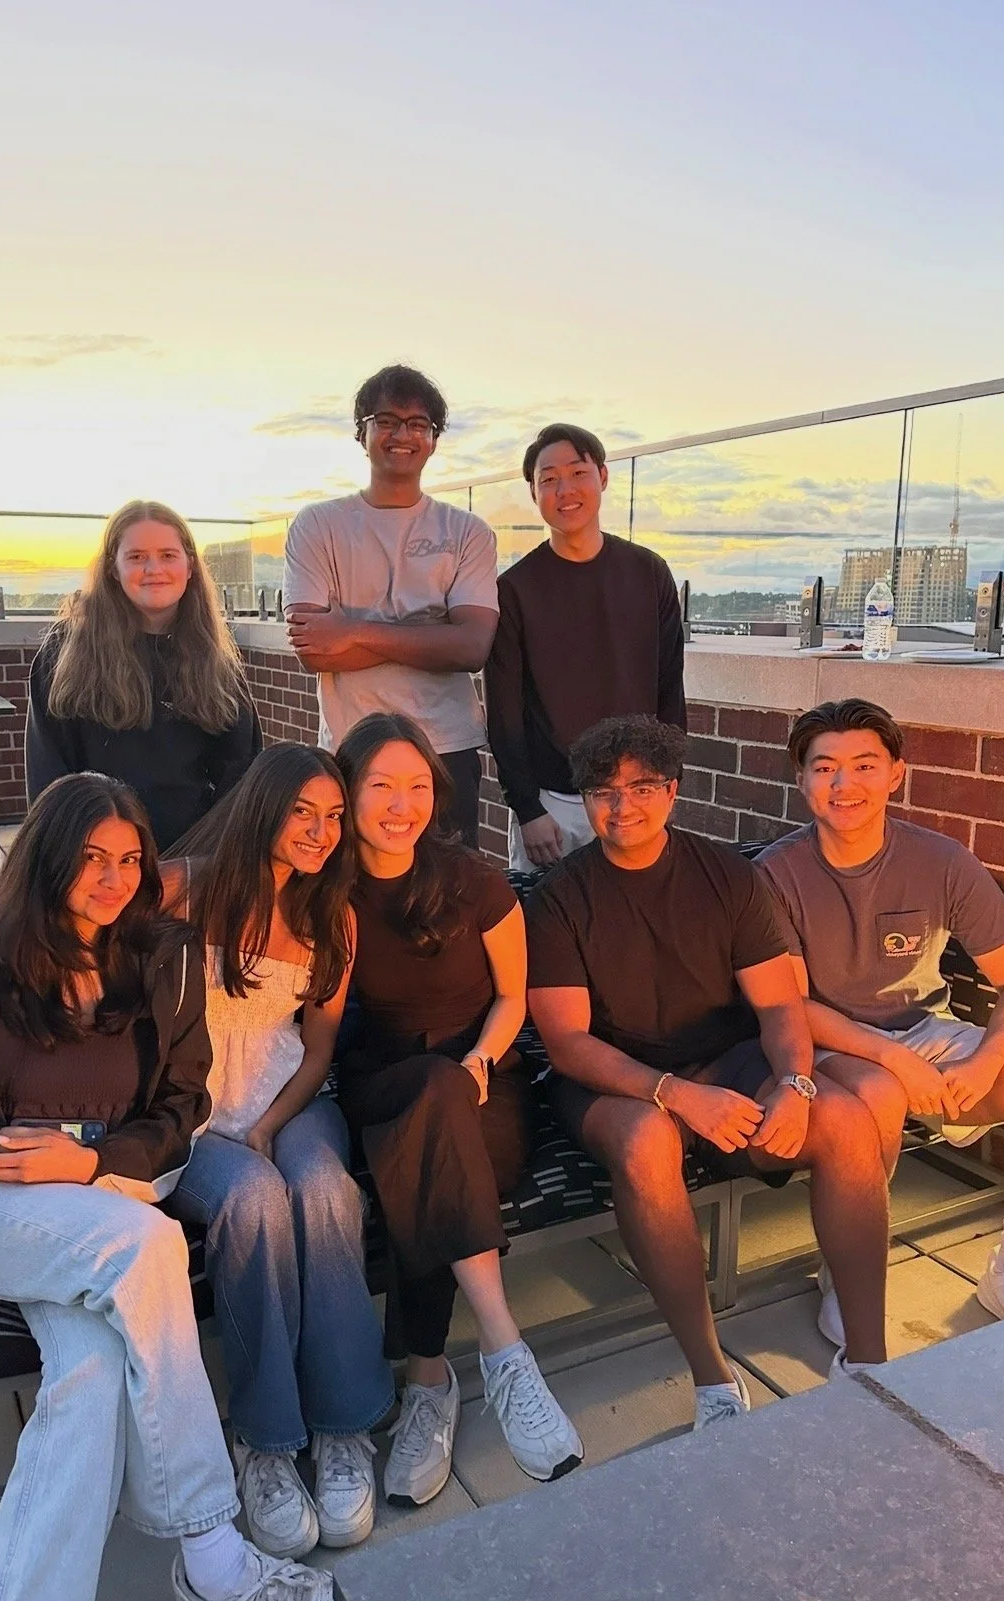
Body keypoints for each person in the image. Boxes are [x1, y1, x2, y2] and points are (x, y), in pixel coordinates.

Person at [0, 773, 349, 1601]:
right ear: (46, 859)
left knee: (86, 1380)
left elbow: (183, 1108)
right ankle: (213, 1554)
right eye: (91, 858)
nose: (114, 879)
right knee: (150, 1244)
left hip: (98, 1203)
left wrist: (84, 1160)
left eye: (129, 860)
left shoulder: (163, 961)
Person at [525, 715, 891, 1426]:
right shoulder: (560, 897)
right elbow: (567, 1043)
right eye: (603, 791)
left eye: (641, 788)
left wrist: (795, 1084)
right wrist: (675, 1095)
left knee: (846, 1120)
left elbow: (779, 1006)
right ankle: (713, 1379)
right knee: (646, 1143)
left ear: (672, 791)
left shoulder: (726, 876)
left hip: (725, 1059)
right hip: (616, 1077)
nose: (622, 806)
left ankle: (872, 1364)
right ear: (585, 800)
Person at [333, 712, 583, 1505]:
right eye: (381, 785)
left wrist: (479, 1058)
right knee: (428, 1105)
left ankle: (429, 1381)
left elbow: (513, 997)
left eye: (416, 786)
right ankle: (506, 1353)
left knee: (432, 1141)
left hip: (484, 1081)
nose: (400, 804)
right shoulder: (328, 890)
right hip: (383, 1082)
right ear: (348, 792)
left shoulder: (471, 879)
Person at [757, 697, 1004, 1330]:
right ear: (802, 779)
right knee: (879, 1093)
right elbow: (790, 1007)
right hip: (831, 1042)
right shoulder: (774, 874)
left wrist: (985, 1063)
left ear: (897, 773)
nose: (844, 784)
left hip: (926, 1031)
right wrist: (896, 1062)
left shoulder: (941, 860)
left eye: (864, 765)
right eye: (825, 768)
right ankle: (849, 1272)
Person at [166, 745, 396, 1560]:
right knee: (254, 1201)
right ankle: (264, 1441)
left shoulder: (333, 917)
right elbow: (64, 917)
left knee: (325, 1191)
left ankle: (342, 1424)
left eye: (334, 816)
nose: (321, 831)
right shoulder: (182, 887)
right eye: (303, 811)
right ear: (263, 806)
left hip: (290, 1103)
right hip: (191, 1120)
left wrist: (269, 1127)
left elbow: (318, 1051)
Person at [283, 365, 499, 847]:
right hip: (352, 749)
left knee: (448, 886)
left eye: (418, 424)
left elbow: (470, 648)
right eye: (386, 421)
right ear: (361, 434)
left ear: (434, 440)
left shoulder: (468, 532)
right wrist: (432, 634)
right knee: (350, 887)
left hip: (446, 749)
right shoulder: (318, 525)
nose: (403, 435)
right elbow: (314, 651)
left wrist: (352, 631)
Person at [485, 424, 686, 871]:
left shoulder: (649, 573)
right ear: (534, 492)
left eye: (578, 473)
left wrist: (666, 787)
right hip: (553, 805)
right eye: (549, 479)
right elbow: (504, 711)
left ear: (603, 477)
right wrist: (527, 809)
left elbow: (670, 687)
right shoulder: (514, 589)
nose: (565, 490)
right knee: (542, 914)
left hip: (637, 795)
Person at [27, 498, 262, 850]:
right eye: (136, 557)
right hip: (98, 857)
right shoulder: (66, 653)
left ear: (190, 566)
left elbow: (243, 775)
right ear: (113, 568)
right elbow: (48, 779)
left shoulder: (216, 656)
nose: (154, 569)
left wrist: (198, 864)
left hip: (197, 859)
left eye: (168, 555)